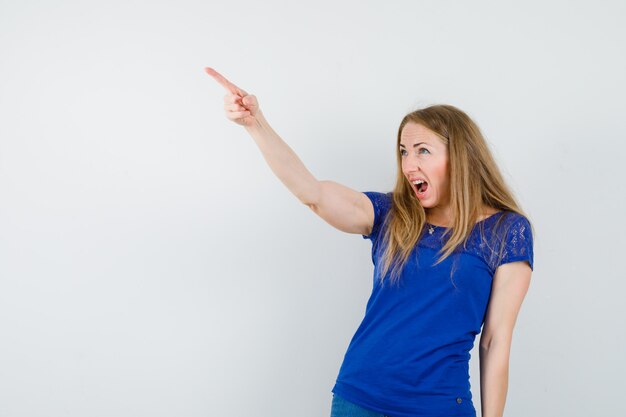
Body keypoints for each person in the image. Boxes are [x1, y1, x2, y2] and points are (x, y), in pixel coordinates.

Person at [205, 67, 534, 417]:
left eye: (423, 150)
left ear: (462, 157)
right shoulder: (392, 214)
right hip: (359, 400)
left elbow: (495, 340)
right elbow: (312, 192)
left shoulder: (507, 230)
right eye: (404, 151)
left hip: (439, 406)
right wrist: (256, 124)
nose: (409, 164)